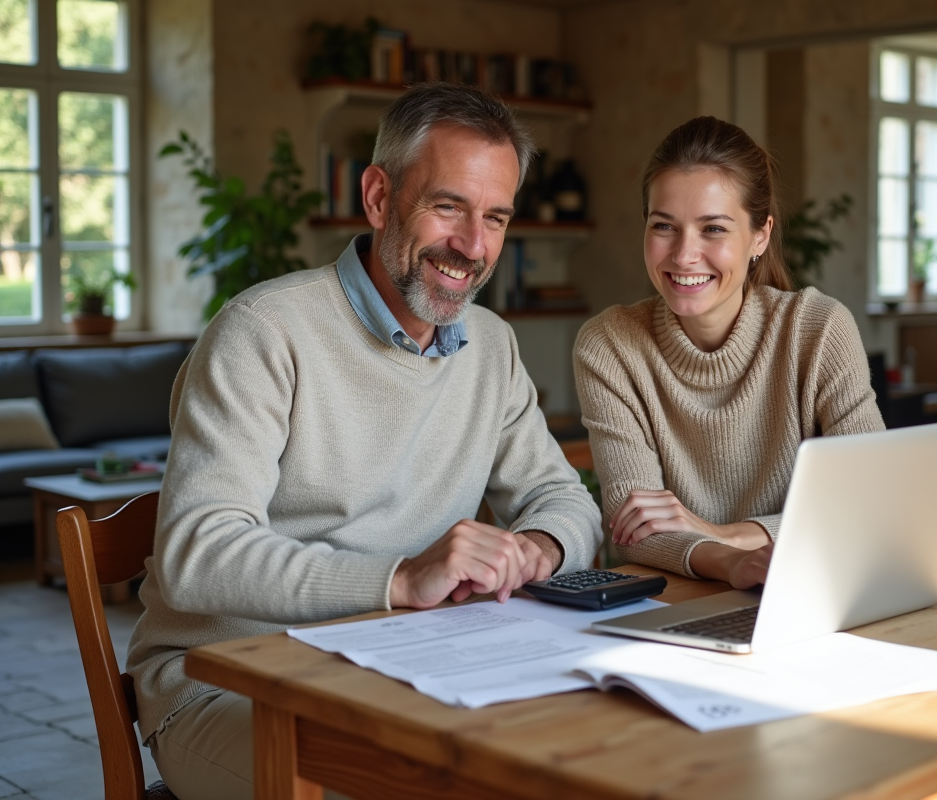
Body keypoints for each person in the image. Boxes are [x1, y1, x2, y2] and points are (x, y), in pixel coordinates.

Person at [127, 84, 603, 799]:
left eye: (495, 217)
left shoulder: (492, 348)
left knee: (569, 759)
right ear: (379, 198)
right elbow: (200, 554)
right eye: (448, 206)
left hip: (403, 663)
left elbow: (565, 499)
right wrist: (401, 579)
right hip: (225, 679)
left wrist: (540, 547)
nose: (473, 247)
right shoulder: (263, 332)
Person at [573, 116, 883, 590]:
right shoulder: (610, 345)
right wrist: (733, 561)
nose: (683, 255)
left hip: (812, 592)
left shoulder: (818, 329)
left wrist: (721, 534)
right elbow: (632, 532)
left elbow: (869, 500)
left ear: (760, 236)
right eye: (664, 227)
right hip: (676, 605)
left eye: (713, 229)